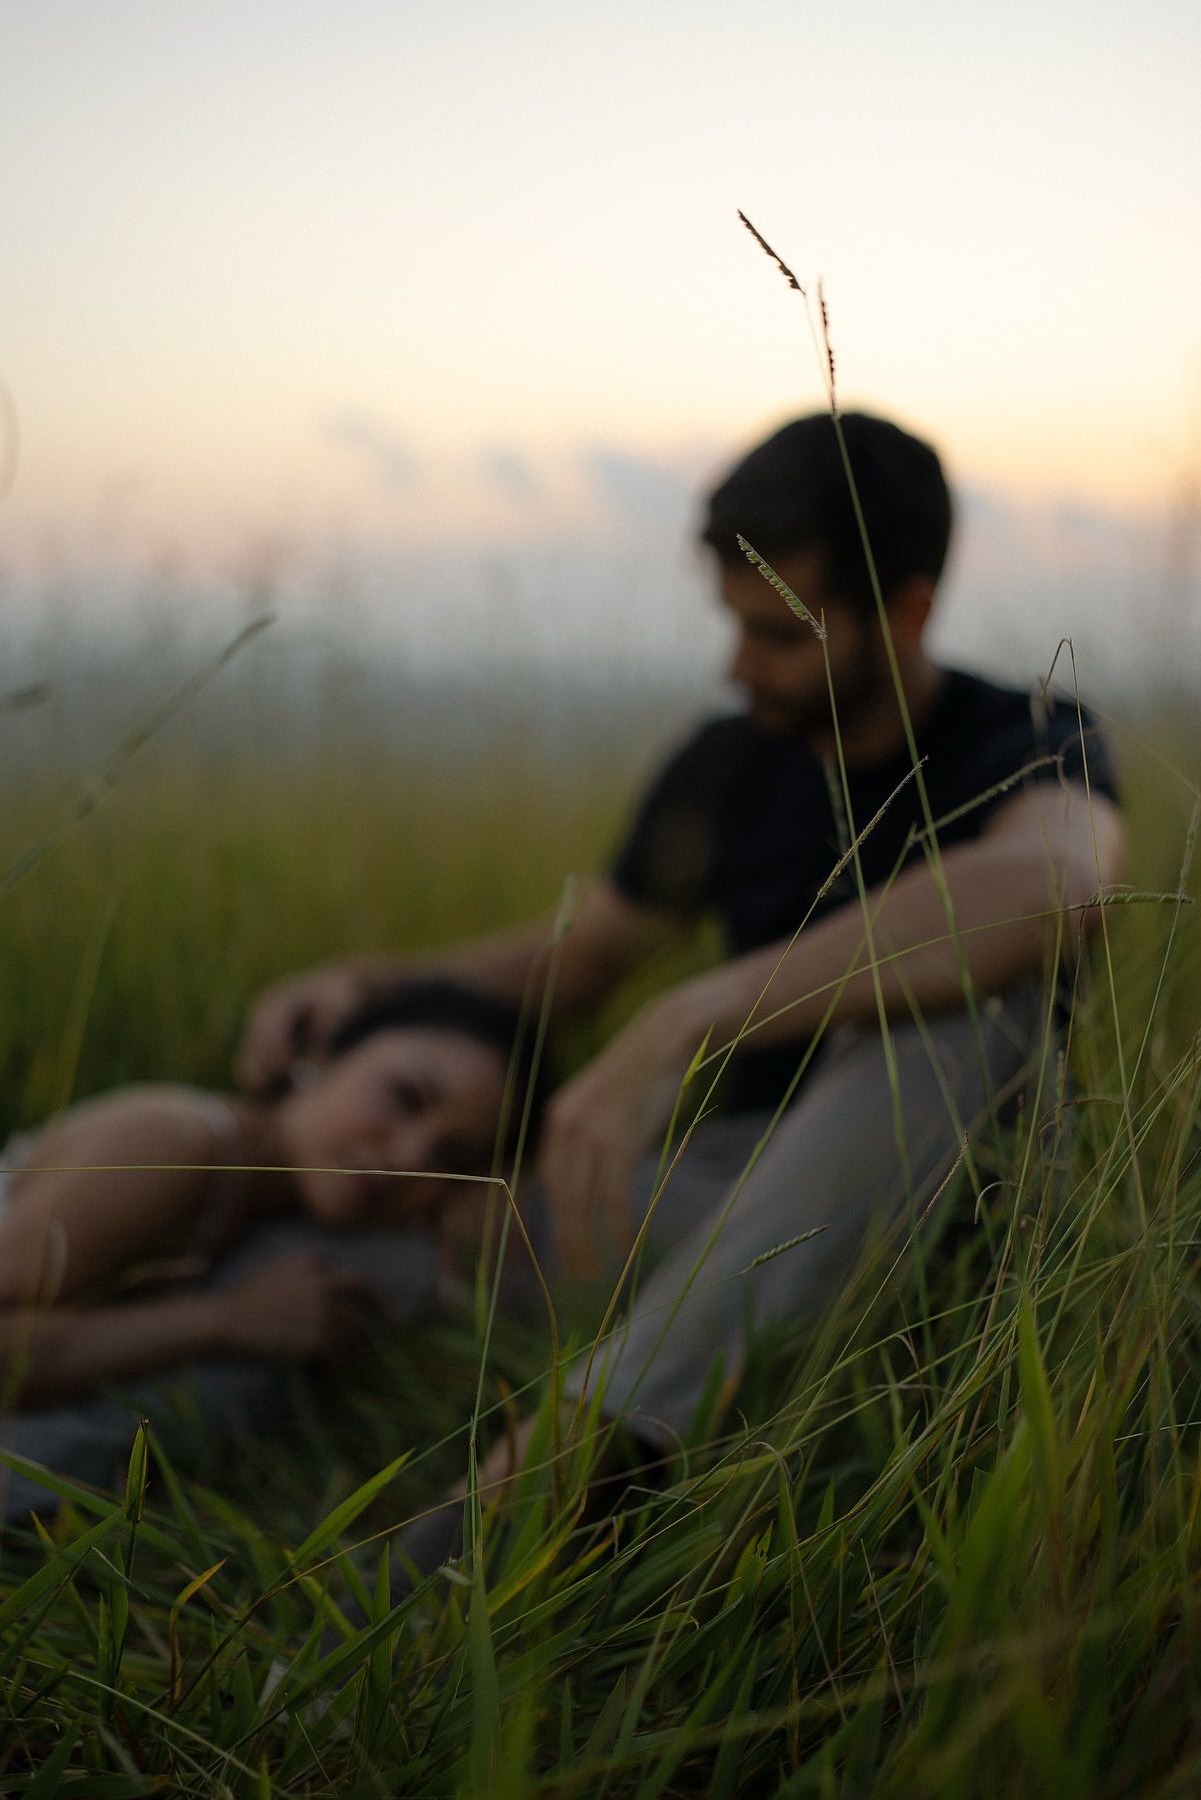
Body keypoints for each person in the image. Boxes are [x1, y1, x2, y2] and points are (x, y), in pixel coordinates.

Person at [238, 411, 1127, 1510]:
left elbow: (1058, 885)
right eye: (734, 625)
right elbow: (586, 954)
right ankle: (10, 1420)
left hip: (957, 1206)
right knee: (373, 1219)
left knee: (973, 1009)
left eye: (783, 637)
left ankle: (553, 1480)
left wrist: (693, 1016)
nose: (740, 665)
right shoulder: (730, 765)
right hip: (724, 1190)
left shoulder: (1027, 733)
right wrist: (369, 986)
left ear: (908, 612)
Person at [0, 979, 536, 1532]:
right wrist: (224, 1322)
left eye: (451, 1157)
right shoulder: (175, 1144)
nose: (408, 1157)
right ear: (325, 1055)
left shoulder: (257, 1198)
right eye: (405, 1095)